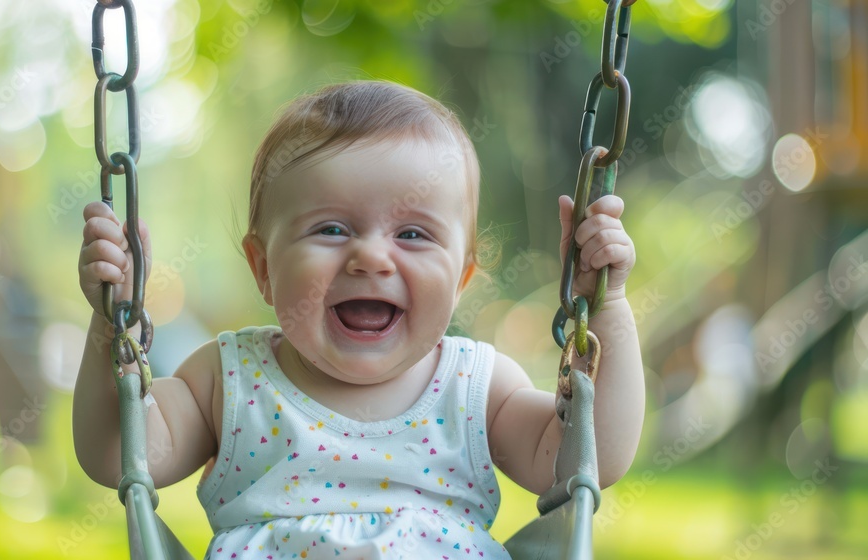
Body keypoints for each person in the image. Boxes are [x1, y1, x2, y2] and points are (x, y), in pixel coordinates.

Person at [74, 80, 644, 559]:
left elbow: (587, 460)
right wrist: (110, 323)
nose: (371, 257)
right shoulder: (228, 379)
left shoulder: (476, 387)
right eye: (331, 229)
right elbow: (117, 454)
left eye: (413, 234)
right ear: (264, 267)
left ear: (461, 280)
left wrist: (609, 310)